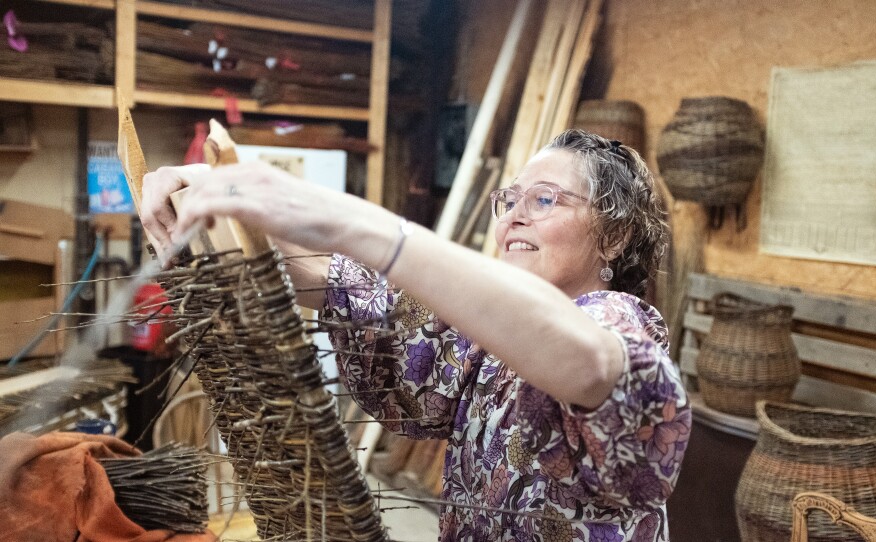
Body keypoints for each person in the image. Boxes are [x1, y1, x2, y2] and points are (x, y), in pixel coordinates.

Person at [142, 129, 691, 541]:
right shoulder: (486, 340)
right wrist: (215, 208)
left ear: (614, 235)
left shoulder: (620, 320)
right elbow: (350, 294)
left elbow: (595, 361)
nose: (514, 217)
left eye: (544, 199)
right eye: (510, 199)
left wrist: (349, 222)